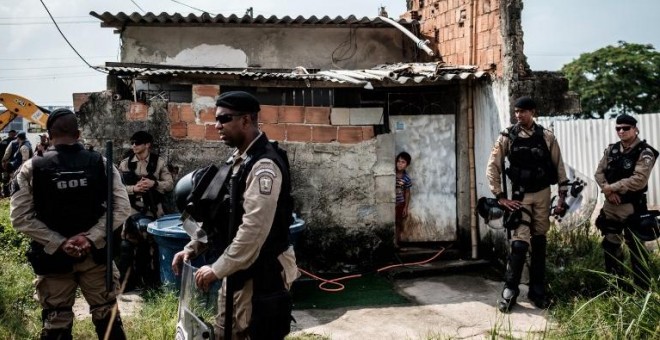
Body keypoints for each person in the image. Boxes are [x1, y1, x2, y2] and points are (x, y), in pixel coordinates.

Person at [172, 91, 299, 339]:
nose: (217, 125)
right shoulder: (238, 160)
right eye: (217, 118)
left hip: (262, 273)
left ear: (246, 120)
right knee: (226, 331)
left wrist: (216, 269)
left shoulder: (264, 166)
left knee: (248, 332)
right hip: (238, 267)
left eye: (224, 119)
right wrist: (193, 247)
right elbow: (222, 217)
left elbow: (253, 232)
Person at [9, 108, 131, 339]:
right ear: (79, 133)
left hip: (53, 259)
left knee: (57, 320)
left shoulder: (31, 168)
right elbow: (122, 208)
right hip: (96, 258)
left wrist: (60, 242)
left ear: (48, 134)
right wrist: (90, 238)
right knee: (107, 318)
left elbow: (20, 218)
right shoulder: (101, 163)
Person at [486, 96, 569, 312]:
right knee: (520, 243)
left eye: (522, 111)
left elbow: (559, 166)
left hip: (542, 194)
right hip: (519, 197)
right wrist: (500, 196)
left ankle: (537, 290)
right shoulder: (508, 136)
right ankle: (510, 289)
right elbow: (493, 166)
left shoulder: (547, 136)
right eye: (516, 111)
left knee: (540, 242)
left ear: (532, 112)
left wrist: (561, 196)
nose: (518, 115)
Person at [594, 114, 657, 290]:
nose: (621, 131)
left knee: (636, 248)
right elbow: (599, 173)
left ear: (635, 129)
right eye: (618, 128)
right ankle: (615, 286)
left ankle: (642, 288)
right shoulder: (611, 150)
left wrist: (612, 187)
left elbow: (639, 180)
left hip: (632, 207)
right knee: (610, 244)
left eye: (626, 128)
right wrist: (608, 191)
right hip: (611, 206)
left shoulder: (645, 152)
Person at [117, 130, 173, 291]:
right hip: (132, 209)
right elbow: (118, 188)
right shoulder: (126, 163)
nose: (134, 146)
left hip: (154, 210)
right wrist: (134, 188)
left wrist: (153, 184)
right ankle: (127, 283)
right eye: (132, 143)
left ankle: (152, 283)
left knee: (153, 245)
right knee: (127, 245)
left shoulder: (158, 162)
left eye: (137, 143)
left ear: (147, 144)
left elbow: (169, 184)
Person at [395, 151, 412, 248]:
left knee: (398, 223)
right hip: (391, 204)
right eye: (398, 161)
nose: (400, 164)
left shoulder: (406, 178)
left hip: (400, 204)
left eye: (403, 162)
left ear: (407, 165)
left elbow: (407, 192)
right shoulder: (391, 174)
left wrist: (406, 207)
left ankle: (396, 242)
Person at [0, 129, 17, 196]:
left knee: (7, 178)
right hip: (11, 163)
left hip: (7, 163)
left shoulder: (5, 141)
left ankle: (7, 193)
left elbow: (1, 153)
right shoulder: (17, 142)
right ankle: (8, 192)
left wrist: (3, 161)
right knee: (9, 177)